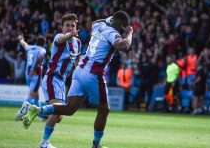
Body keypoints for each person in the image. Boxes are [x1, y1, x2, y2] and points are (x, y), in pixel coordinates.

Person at [22, 10, 133, 148]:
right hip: (93, 74)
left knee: (69, 109)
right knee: (104, 110)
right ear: (122, 26)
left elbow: (94, 22)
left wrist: (109, 19)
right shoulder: (113, 33)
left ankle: (38, 110)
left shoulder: (99, 26)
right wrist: (129, 33)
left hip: (79, 71)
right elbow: (124, 46)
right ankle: (96, 144)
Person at [39, 13, 81, 148]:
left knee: (60, 116)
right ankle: (44, 143)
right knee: (57, 112)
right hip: (52, 78)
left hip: (62, 82)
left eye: (73, 25)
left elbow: (77, 62)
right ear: (62, 27)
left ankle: (35, 110)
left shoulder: (78, 43)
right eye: (67, 25)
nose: (70, 28)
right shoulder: (59, 37)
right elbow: (62, 38)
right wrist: (71, 34)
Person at [15, 34, 46, 121]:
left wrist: (21, 39)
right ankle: (21, 113)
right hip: (35, 74)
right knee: (32, 95)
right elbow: (40, 56)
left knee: (36, 95)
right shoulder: (42, 49)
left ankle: (40, 115)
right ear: (44, 44)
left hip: (27, 74)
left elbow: (24, 44)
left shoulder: (30, 48)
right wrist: (34, 68)